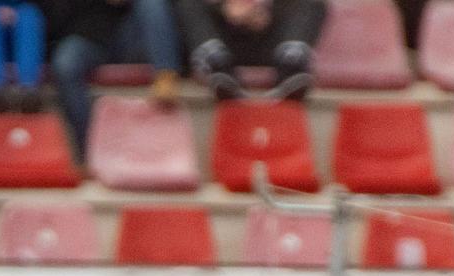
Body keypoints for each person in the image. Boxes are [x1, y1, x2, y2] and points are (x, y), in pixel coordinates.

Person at [51, 0, 183, 163]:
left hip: (130, 37)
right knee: (65, 64)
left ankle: (165, 76)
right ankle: (88, 152)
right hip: (85, 35)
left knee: (152, 3)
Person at [177, 0, 324, 101]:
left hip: (272, 41)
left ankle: (291, 67)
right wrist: (224, 7)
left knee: (312, 2)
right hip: (224, 40)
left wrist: (261, 10)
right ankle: (217, 66)